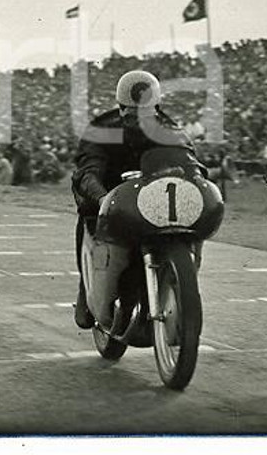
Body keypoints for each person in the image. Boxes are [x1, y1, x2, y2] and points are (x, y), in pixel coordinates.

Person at [70, 70, 205, 329]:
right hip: (109, 196)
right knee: (88, 217)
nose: (138, 120)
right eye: (131, 113)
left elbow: (190, 162)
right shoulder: (101, 129)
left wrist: (196, 178)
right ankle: (86, 287)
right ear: (120, 108)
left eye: (146, 112)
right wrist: (101, 195)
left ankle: (178, 285)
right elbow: (87, 170)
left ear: (156, 107)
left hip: (154, 197)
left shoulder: (169, 129)